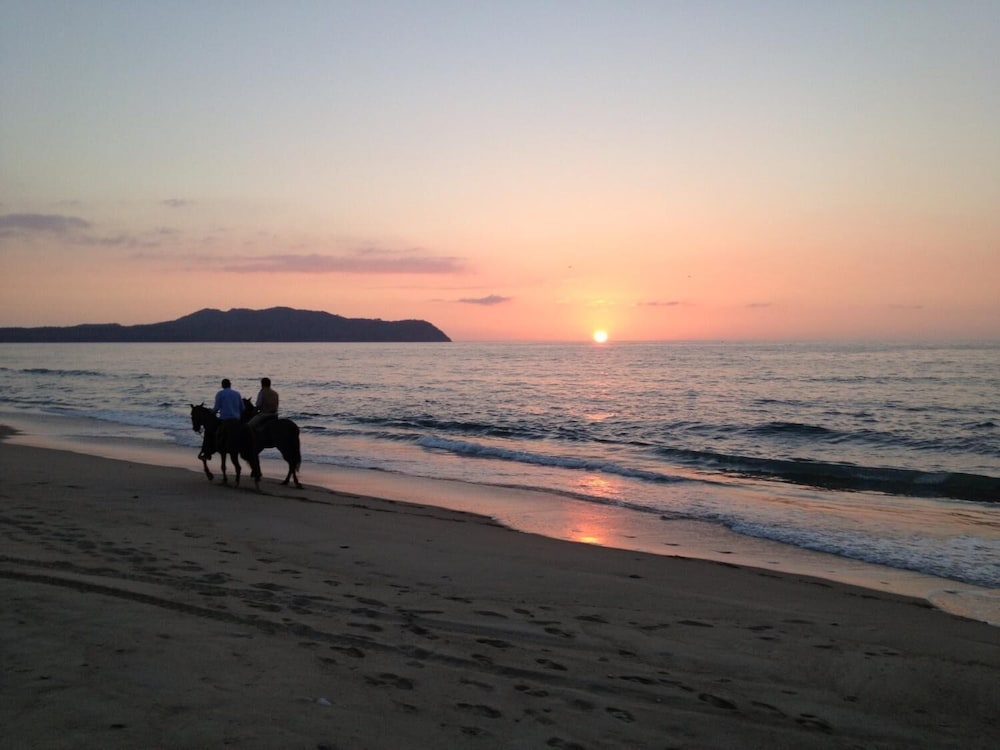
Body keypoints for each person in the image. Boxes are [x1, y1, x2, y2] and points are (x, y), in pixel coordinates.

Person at [212, 378, 244, 453]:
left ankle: (217, 447)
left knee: (215, 433)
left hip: (225, 421)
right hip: (236, 421)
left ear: (222, 385)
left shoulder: (220, 394)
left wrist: (212, 412)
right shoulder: (237, 393)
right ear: (230, 385)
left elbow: (216, 408)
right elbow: (242, 408)